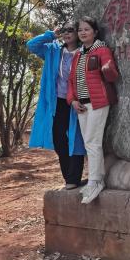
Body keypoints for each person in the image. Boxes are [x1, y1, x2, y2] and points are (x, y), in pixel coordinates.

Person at [27, 23, 86, 189]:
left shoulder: (83, 52)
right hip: (57, 102)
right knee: (59, 139)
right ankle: (68, 177)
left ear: (77, 33)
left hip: (77, 101)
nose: (67, 33)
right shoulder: (54, 51)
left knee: (76, 139)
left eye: (70, 30)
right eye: (64, 30)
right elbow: (31, 45)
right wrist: (51, 34)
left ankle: (73, 179)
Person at [67, 16, 119, 204]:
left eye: (87, 29)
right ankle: (96, 179)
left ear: (95, 32)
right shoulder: (78, 55)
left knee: (92, 141)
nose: (82, 33)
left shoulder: (102, 50)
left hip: (98, 102)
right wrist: (72, 100)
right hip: (81, 105)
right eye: (80, 30)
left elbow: (112, 76)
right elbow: (71, 81)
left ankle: (95, 181)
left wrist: (107, 69)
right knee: (89, 142)